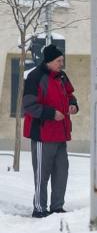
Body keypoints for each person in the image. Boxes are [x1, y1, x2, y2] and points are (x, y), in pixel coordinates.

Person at [23, 44, 78, 218]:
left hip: (61, 134)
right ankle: (39, 208)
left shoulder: (62, 76)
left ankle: (57, 207)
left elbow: (70, 94)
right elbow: (29, 105)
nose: (62, 63)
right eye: (58, 61)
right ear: (49, 61)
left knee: (62, 172)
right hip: (43, 134)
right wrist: (51, 113)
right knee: (42, 174)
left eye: (62, 60)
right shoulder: (35, 77)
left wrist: (73, 104)